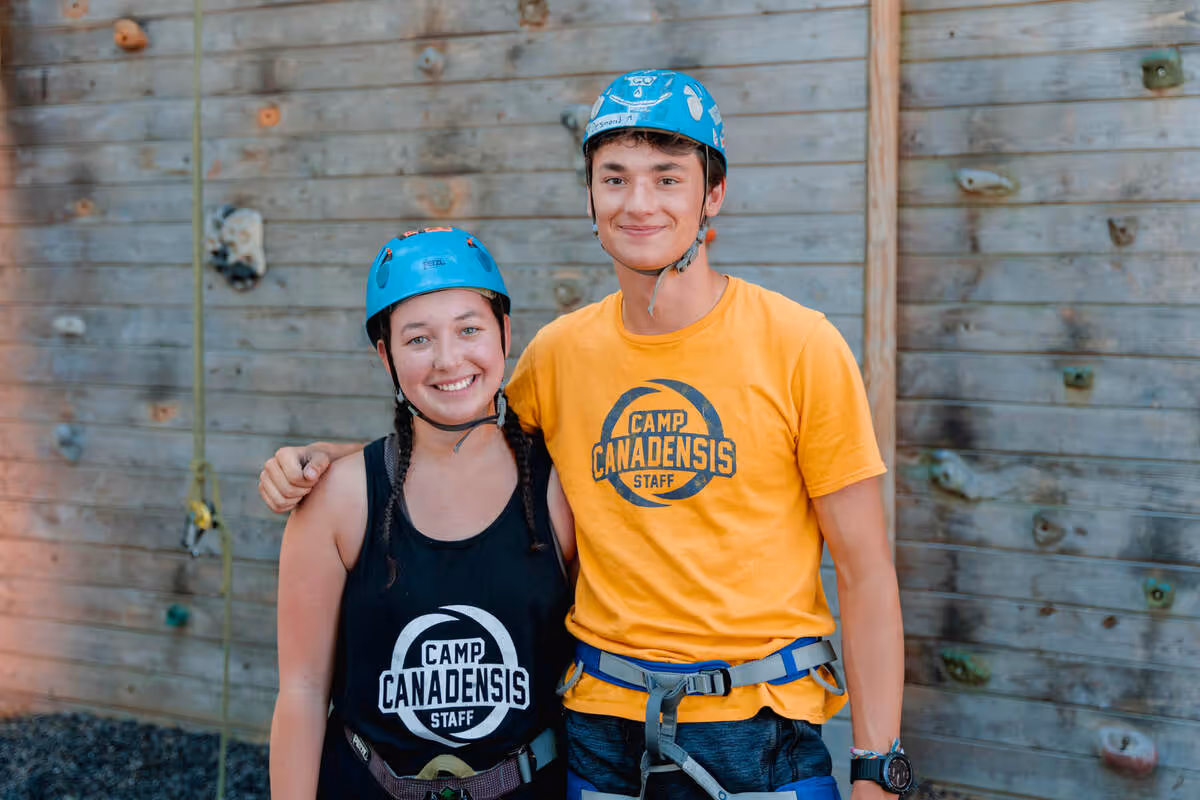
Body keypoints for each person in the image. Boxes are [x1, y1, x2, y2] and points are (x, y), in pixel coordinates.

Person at [262, 71, 909, 800]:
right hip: (601, 736)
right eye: (615, 178)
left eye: (668, 177)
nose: (639, 203)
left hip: (759, 735)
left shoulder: (801, 347)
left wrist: (877, 770)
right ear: (591, 196)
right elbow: (460, 438)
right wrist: (330, 463)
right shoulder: (559, 356)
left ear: (712, 194)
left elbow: (865, 573)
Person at [268, 227, 575, 800]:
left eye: (469, 329)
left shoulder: (559, 489)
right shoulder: (338, 498)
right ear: (384, 355)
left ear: (505, 333)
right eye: (417, 340)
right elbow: (303, 691)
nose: (448, 359)